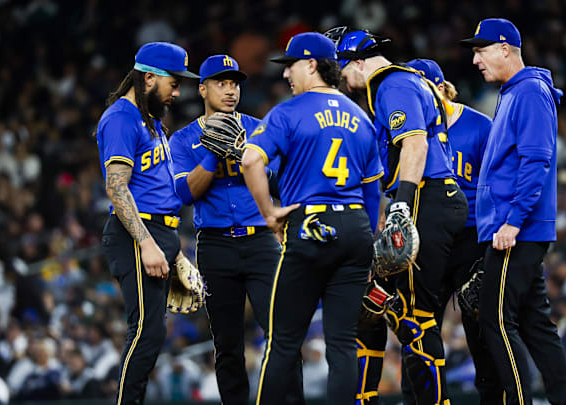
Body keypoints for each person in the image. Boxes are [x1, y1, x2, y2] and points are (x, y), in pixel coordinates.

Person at [240, 32, 383, 405]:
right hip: (355, 229)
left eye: (290, 64)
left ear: (311, 65)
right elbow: (372, 192)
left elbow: (250, 161)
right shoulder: (361, 117)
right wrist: (367, 246)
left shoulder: (289, 111)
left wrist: (269, 213)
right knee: (342, 345)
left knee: (284, 341)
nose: (286, 72)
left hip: (310, 226)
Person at [328, 27, 468, 405]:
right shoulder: (406, 81)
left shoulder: (392, 84)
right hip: (437, 199)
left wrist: (403, 204)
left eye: (342, 71)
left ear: (356, 62)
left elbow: (414, 144)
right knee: (374, 303)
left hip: (426, 196)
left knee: (414, 313)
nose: (343, 82)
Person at [168, 54, 303, 405]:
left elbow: (281, 182)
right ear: (202, 88)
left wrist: (249, 158)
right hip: (215, 246)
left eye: (235, 83)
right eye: (221, 83)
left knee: (282, 335)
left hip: (261, 242)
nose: (230, 91)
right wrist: (213, 155)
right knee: (227, 345)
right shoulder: (184, 139)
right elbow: (185, 193)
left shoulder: (260, 127)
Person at [460, 18, 566, 405]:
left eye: (481, 49)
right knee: (535, 324)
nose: (476, 59)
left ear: (505, 48)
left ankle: (519, 400)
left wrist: (512, 220)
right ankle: (563, 401)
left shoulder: (528, 92)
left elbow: (536, 161)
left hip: (516, 229)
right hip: (514, 226)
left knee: (494, 318)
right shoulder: (514, 91)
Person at [94, 41, 199, 405]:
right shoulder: (122, 117)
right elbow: (116, 187)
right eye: (174, 81)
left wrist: (174, 250)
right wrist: (147, 243)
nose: (178, 91)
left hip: (161, 231)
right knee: (145, 332)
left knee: (153, 333)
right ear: (149, 78)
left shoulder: (150, 120)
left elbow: (160, 188)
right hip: (136, 233)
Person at [406, 58, 503, 404]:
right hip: (425, 239)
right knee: (415, 332)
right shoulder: (406, 132)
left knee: (481, 333)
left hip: (471, 239)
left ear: (442, 88)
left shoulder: (479, 125)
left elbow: (500, 182)